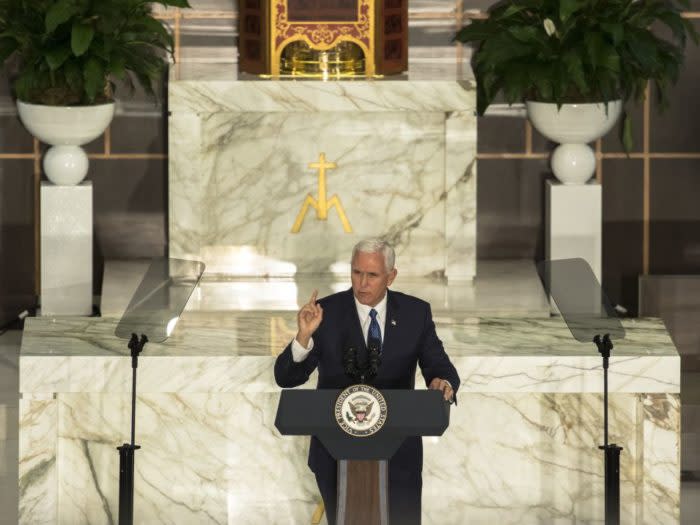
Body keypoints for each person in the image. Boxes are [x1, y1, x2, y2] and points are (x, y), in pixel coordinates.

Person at [274, 238, 460, 525]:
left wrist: (441, 381)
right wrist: (303, 337)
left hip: (399, 453)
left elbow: (439, 365)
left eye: (372, 275)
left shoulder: (415, 313)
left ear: (391, 276)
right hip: (335, 453)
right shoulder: (326, 312)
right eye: (356, 272)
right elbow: (286, 377)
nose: (362, 282)